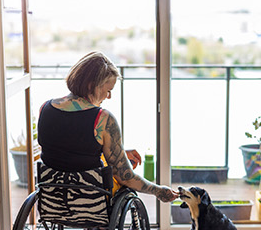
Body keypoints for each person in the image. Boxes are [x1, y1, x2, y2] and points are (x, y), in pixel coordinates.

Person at [36, 51, 179, 203]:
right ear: (92, 85)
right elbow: (127, 178)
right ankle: (102, 228)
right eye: (108, 90)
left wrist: (120, 153)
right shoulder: (103, 119)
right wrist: (158, 190)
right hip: (90, 201)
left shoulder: (45, 108)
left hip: (52, 199)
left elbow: (68, 150)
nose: (109, 96)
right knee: (122, 182)